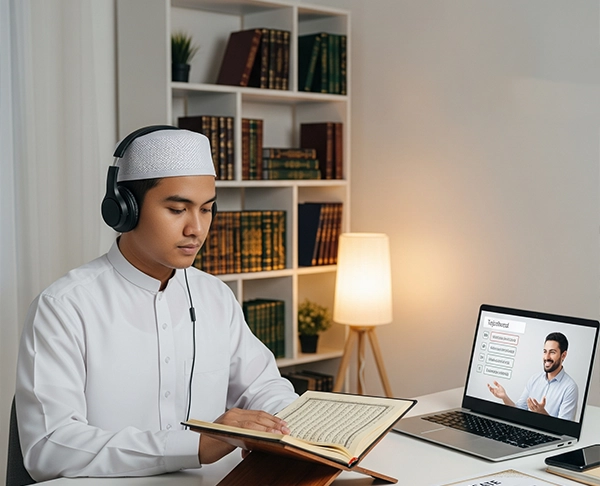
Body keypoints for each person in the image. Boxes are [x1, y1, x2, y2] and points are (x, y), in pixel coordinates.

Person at [15, 126, 297, 482]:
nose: (196, 228)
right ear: (124, 210)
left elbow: (263, 386)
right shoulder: (64, 307)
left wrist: (291, 424)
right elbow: (50, 446)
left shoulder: (215, 296)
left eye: (207, 210)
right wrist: (193, 445)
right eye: (178, 209)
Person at [487, 332, 578, 420]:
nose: (547, 357)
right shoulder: (534, 379)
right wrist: (504, 397)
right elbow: (519, 411)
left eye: (552, 352)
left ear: (563, 355)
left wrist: (542, 413)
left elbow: (564, 428)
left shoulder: (570, 388)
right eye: (545, 351)